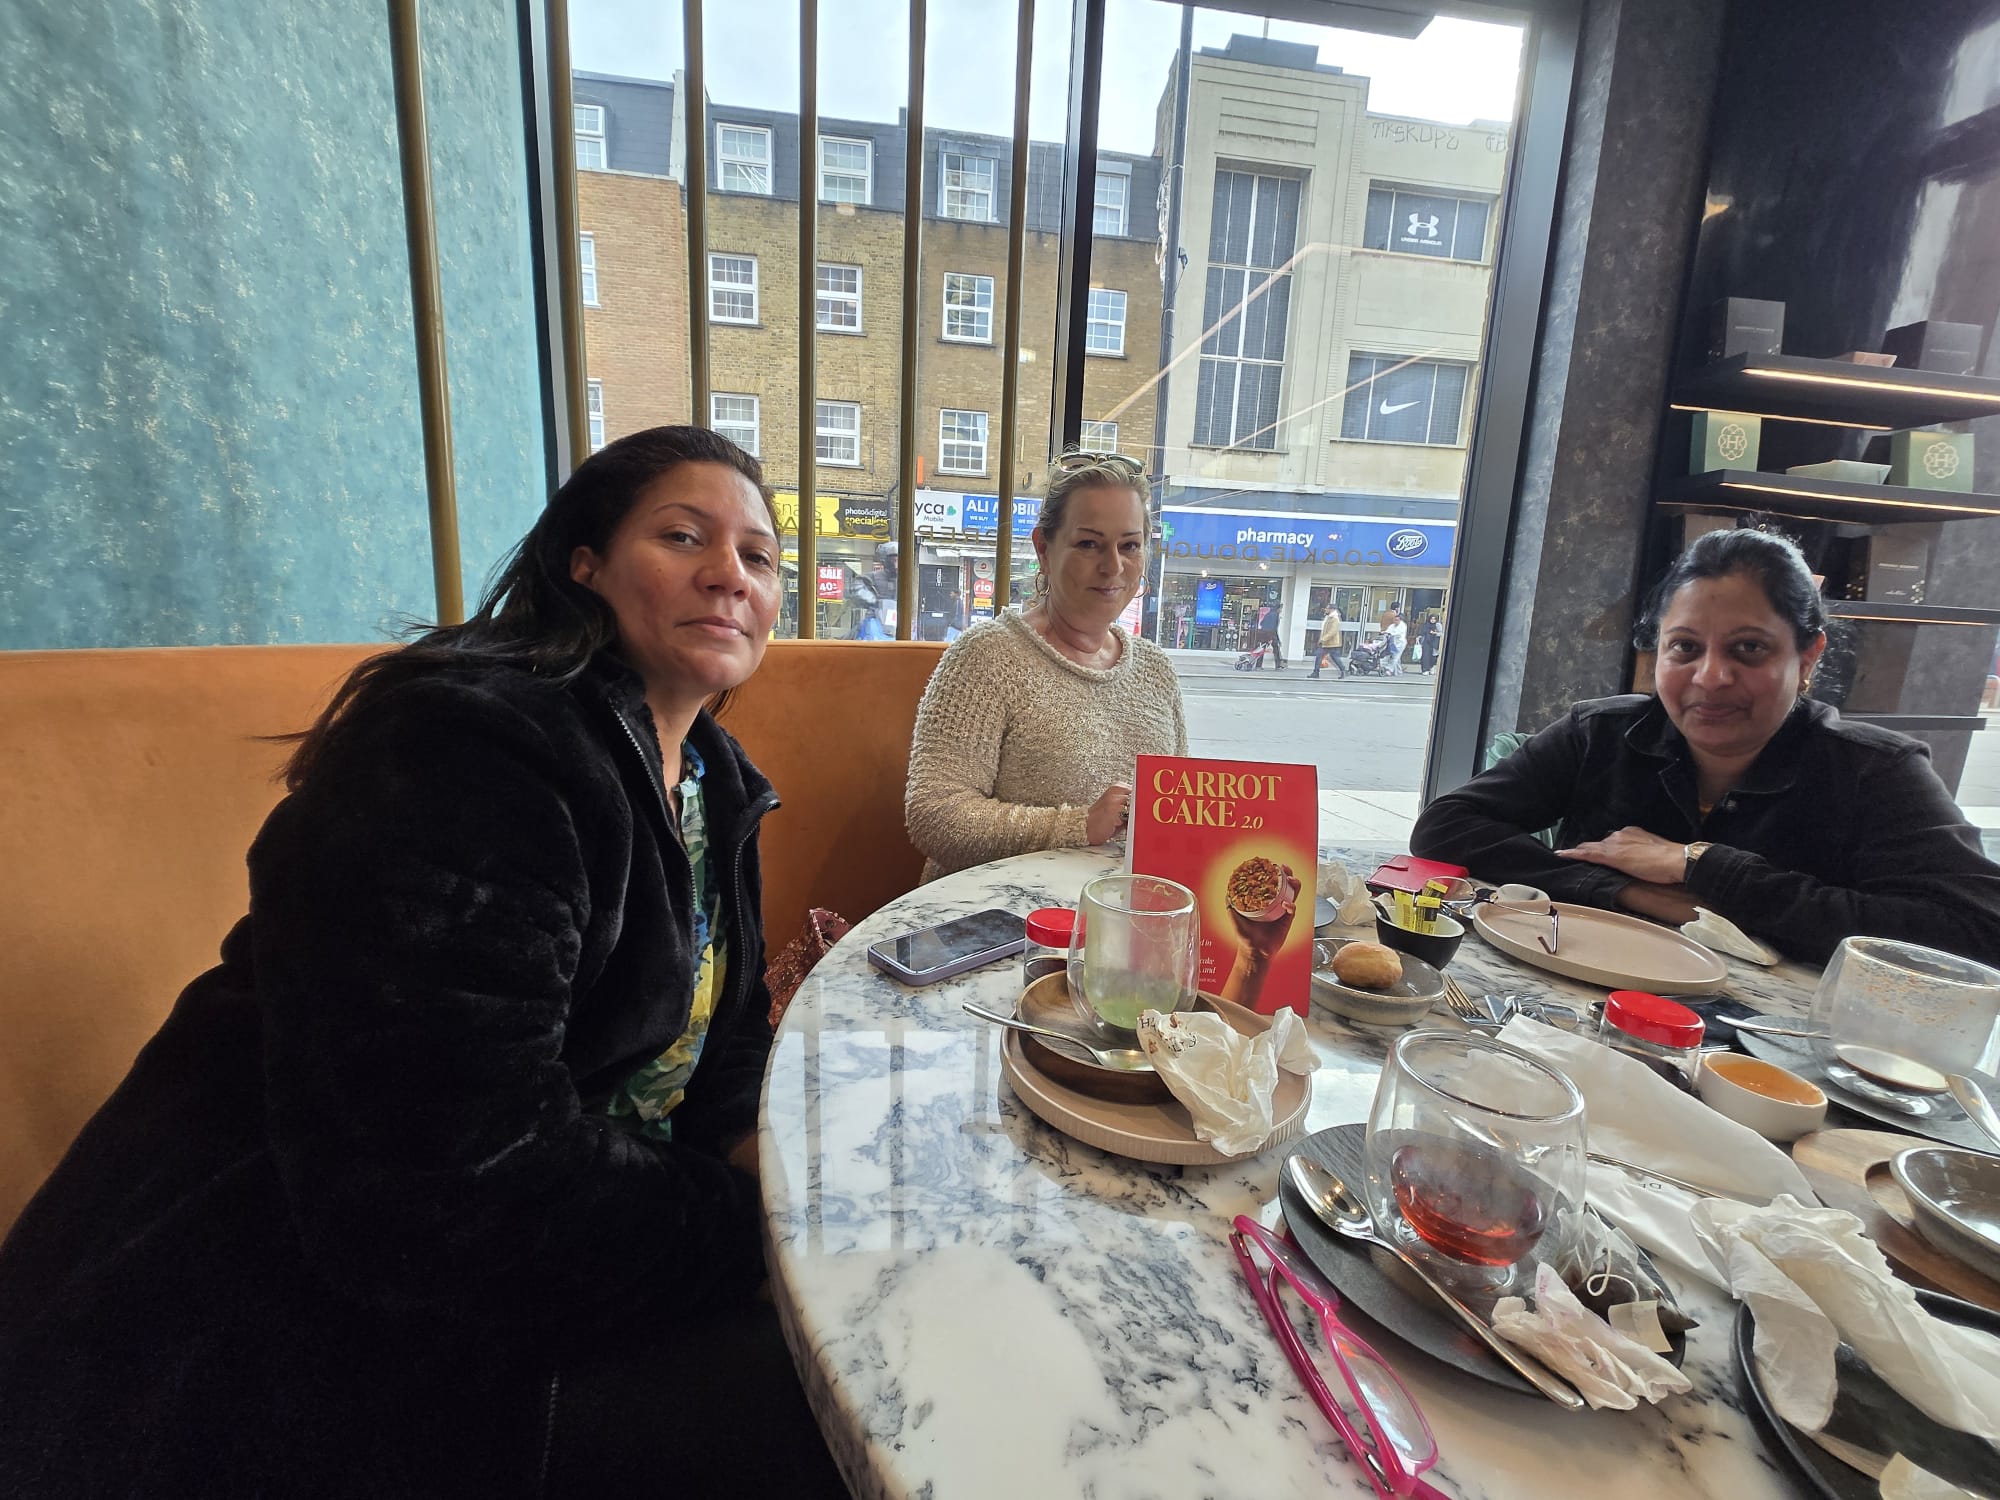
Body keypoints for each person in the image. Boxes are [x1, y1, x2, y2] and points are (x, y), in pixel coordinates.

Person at [0, 428, 846, 1496]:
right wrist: (756, 1233)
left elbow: (719, 1043)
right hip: (293, 1325)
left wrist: (768, 1164)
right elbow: (444, 1183)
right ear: (583, 563)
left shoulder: (713, 783)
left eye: (759, 556)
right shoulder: (469, 746)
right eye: (683, 537)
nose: (730, 574)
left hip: (565, 1247)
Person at [1410, 528, 2000, 966]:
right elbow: (1446, 826)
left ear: (1808, 656)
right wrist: (1626, 891)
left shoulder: (1876, 771)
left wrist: (1701, 866)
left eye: (1749, 649)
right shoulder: (1602, 733)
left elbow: (1974, 930)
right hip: (1577, 998)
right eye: (1685, 648)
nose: (1711, 677)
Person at [906, 452, 1187, 879]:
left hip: (1120, 905)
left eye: (1129, 545)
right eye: (1089, 544)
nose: (1113, 566)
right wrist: (1079, 826)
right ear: (1043, 549)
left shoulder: (1156, 670)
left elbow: (1181, 810)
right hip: (996, 908)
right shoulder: (987, 657)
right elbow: (934, 813)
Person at [1308, 605, 1344, 680]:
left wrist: (1323, 639)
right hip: (1326, 642)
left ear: (1331, 609)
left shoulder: (1334, 619)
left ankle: (1343, 670)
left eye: (1327, 608)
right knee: (1320, 655)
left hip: (1331, 643)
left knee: (1334, 657)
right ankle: (1316, 672)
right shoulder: (1328, 617)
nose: (1325, 609)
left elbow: (1333, 631)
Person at [1382, 608, 1408, 677]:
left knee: (1395, 657)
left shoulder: (1403, 626)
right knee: (1396, 658)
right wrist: (1385, 632)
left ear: (1400, 620)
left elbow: (1397, 633)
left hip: (1400, 643)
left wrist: (1389, 633)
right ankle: (1398, 672)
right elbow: (1388, 630)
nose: (1395, 621)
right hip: (1393, 643)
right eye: (1394, 620)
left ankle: (1389, 669)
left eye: (1397, 620)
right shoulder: (1392, 625)